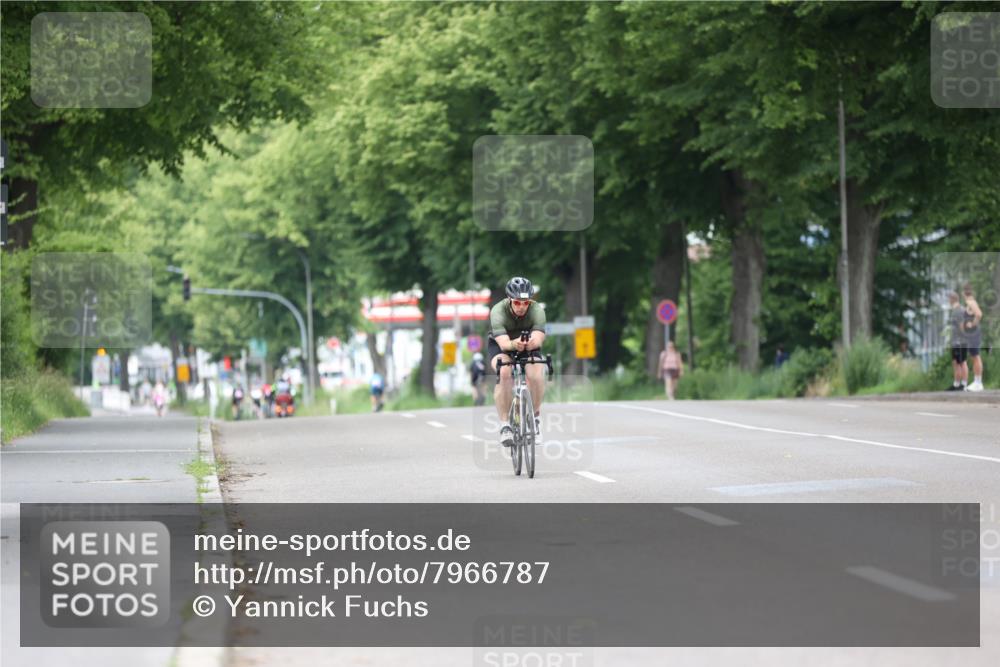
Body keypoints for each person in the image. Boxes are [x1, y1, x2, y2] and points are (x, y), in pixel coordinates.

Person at [488, 276, 546, 448]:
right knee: (504, 372)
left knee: (536, 375)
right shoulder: (498, 311)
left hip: (528, 345)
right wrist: (515, 344)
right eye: (517, 303)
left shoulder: (537, 310)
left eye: (525, 303)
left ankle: (535, 419)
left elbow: (539, 338)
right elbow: (504, 344)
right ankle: (505, 425)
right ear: (509, 299)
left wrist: (531, 343)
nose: (521, 307)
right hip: (502, 345)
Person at [962, 283, 984, 392]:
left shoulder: (970, 302)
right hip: (971, 334)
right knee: (974, 356)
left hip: (973, 333)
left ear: (963, 292)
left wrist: (972, 324)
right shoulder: (970, 302)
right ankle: (977, 381)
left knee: (975, 356)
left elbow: (979, 314)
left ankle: (978, 383)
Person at [947, 291, 968, 391]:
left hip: (960, 341)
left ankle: (963, 384)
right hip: (955, 340)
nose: (948, 301)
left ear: (952, 299)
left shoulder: (958, 311)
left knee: (962, 362)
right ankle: (956, 384)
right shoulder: (956, 310)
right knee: (955, 362)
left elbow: (962, 326)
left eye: (949, 299)